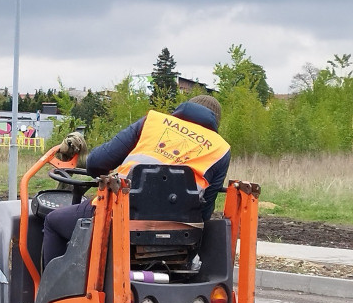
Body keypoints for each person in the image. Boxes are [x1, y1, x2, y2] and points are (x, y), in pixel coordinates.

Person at [41, 95, 230, 268]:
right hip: (178, 240)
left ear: (184, 109)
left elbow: (97, 162)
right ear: (215, 122)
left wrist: (100, 172)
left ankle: (49, 294)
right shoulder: (220, 149)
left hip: (116, 220)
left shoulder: (154, 121)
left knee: (53, 221)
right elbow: (205, 211)